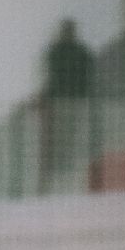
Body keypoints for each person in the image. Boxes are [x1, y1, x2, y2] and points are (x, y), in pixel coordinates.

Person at [39, 19, 93, 193]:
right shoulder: (74, 52)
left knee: (68, 140)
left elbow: (86, 76)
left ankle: (64, 175)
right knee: (63, 140)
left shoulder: (66, 52)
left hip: (69, 102)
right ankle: (59, 176)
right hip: (66, 102)